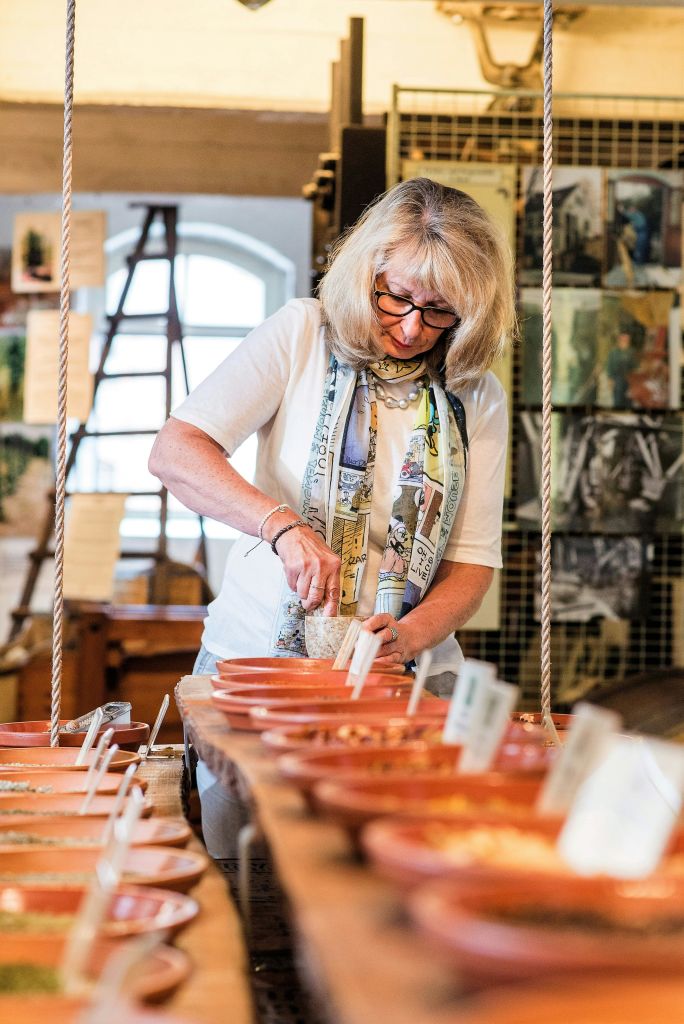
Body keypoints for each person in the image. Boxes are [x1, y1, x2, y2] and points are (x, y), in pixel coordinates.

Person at [149, 177, 515, 855]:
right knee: (251, 864)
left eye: (440, 313)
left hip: (403, 677)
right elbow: (176, 452)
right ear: (365, 272)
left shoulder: (474, 394)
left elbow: (472, 560)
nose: (412, 328)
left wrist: (410, 635)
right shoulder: (301, 335)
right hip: (261, 659)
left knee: (381, 876)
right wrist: (281, 526)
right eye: (397, 297)